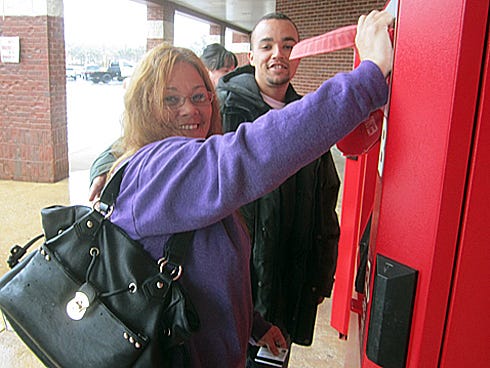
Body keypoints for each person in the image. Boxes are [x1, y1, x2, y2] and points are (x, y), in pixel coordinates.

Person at [101, 9, 393, 367]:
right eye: (171, 99)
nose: (190, 110)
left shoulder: (186, 165)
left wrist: (254, 325)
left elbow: (204, 270)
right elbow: (252, 153)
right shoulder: (161, 168)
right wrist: (369, 77)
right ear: (145, 107)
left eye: (199, 96)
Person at [216, 12, 339, 365]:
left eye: (289, 46)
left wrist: (319, 278)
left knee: (271, 364)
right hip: (233, 289)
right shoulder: (222, 110)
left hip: (285, 287)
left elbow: (325, 200)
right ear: (251, 56)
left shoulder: (309, 119)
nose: (278, 54)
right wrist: (106, 165)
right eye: (267, 45)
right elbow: (160, 140)